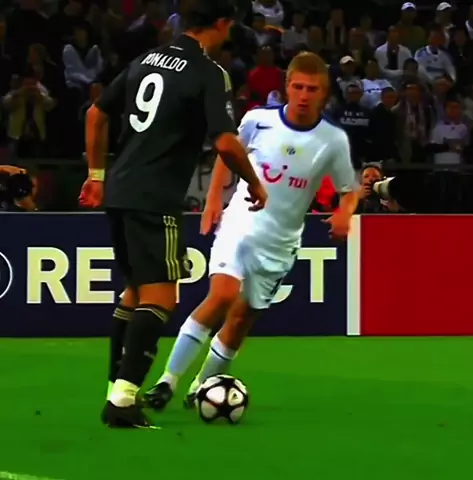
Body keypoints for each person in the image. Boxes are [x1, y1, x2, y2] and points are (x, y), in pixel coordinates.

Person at [79, 0, 267, 428]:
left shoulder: (145, 60)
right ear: (222, 24)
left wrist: (96, 175)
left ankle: (115, 390)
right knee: (161, 297)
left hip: (121, 189)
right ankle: (123, 400)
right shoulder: (208, 72)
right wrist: (254, 183)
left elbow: (95, 114)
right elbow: (225, 141)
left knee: (134, 293)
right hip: (155, 196)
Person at [144, 51, 360, 411]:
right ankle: (167, 381)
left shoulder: (333, 140)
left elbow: (349, 189)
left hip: (281, 241)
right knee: (222, 295)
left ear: (324, 93)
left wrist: (344, 213)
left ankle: (201, 387)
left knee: (243, 317)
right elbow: (228, 154)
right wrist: (214, 199)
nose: (304, 95)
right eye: (298, 87)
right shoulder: (258, 120)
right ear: (286, 87)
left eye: (312, 89)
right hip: (241, 221)